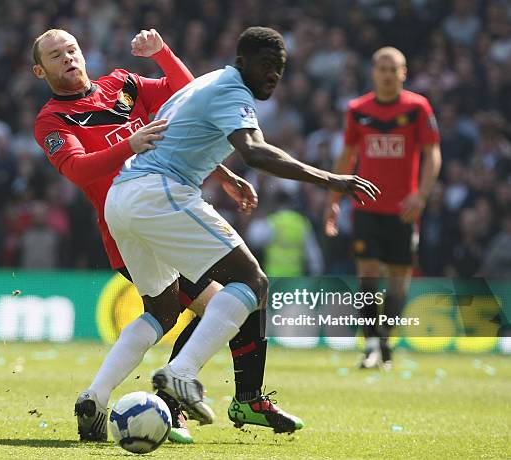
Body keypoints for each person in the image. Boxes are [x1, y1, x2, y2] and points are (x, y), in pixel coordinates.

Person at [32, 28, 301, 443]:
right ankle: (187, 400)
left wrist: (162, 53)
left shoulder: (123, 84)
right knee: (235, 297)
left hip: (156, 210)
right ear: (40, 70)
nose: (68, 58)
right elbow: (79, 170)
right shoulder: (52, 119)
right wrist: (130, 145)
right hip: (140, 219)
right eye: (55, 56)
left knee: (165, 311)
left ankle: (96, 396)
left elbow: (193, 98)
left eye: (72, 49)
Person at [103, 26, 379, 426]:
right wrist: (332, 179)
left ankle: (94, 397)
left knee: (164, 310)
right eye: (266, 65)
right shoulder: (233, 90)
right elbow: (254, 151)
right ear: (243, 60)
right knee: (252, 283)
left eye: (280, 69)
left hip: (123, 195)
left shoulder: (211, 81)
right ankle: (181, 375)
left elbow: (183, 134)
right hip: (158, 192)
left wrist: (224, 176)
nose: (273, 75)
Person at [324, 47, 441, 369]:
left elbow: (432, 153)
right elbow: (347, 157)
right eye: (382, 69)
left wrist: (422, 195)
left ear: (403, 73)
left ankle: (384, 339)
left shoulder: (417, 108)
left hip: (403, 210)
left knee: (399, 281)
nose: (388, 75)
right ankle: (372, 345)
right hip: (366, 206)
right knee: (368, 274)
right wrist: (334, 200)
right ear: (374, 72)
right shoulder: (357, 109)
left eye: (394, 69)